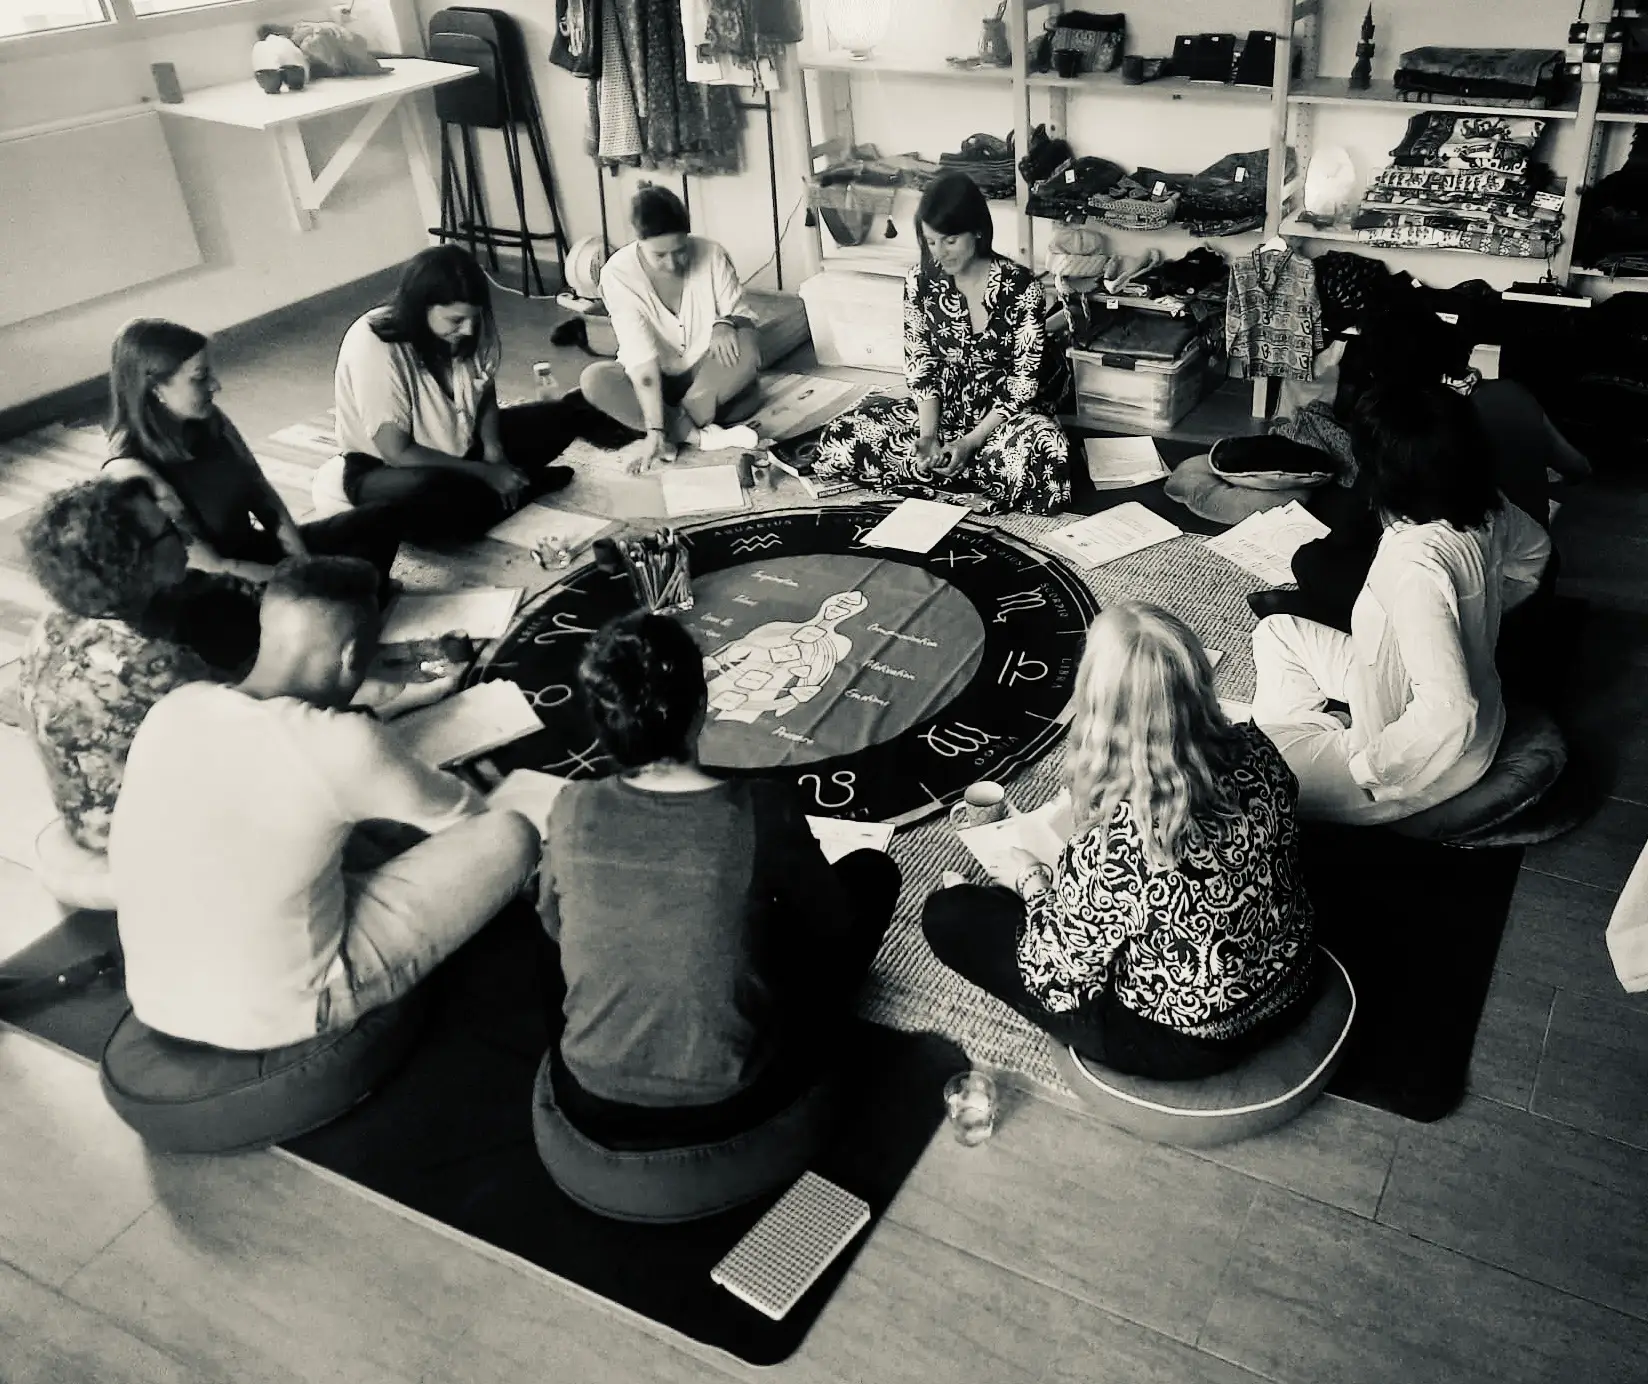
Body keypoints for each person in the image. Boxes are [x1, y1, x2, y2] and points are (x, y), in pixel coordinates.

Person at [108, 556, 539, 1051]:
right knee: (511, 834)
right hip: (285, 1008)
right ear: (352, 656)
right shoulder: (342, 744)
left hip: (156, 995)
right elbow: (468, 823)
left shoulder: (175, 708)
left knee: (343, 832)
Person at [536, 611, 900, 1143]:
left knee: (556, 905)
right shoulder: (760, 807)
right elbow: (833, 922)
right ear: (703, 707)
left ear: (601, 721)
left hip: (589, 1091)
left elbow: (552, 926)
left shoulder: (572, 805)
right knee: (871, 873)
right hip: (731, 1098)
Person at [923, 602, 1318, 1080]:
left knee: (950, 915)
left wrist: (1030, 879)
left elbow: (1056, 979)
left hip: (1191, 1040)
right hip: (1293, 978)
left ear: (1098, 704)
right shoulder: (1258, 749)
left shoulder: (1120, 846)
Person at [1251, 384, 1552, 826]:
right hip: (1394, 684)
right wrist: (1480, 615)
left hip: (1421, 769)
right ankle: (1316, 735)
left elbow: (1451, 713)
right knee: (1276, 632)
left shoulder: (1416, 567)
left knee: (1243, 769)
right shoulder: (1487, 506)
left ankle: (1328, 743)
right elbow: (1535, 555)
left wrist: (1367, 767)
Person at [19, 478, 259, 854]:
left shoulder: (56, 620)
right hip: (137, 836)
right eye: (169, 531)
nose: (186, 538)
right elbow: (257, 728)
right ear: (131, 563)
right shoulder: (152, 664)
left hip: (82, 816)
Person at [811, 171, 1071, 515]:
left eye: (949, 240)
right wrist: (928, 435)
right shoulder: (919, 281)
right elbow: (920, 365)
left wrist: (970, 442)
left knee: (1047, 454)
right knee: (841, 435)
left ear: (977, 230)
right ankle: (962, 476)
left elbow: (1022, 385)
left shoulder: (1022, 287)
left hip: (1003, 420)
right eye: (930, 241)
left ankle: (947, 472)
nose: (939, 253)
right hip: (944, 412)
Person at [102, 318, 401, 596]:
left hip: (255, 555)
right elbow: (213, 567)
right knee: (338, 586)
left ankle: (347, 602)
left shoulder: (209, 420)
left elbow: (264, 498)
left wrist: (304, 563)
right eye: (200, 377)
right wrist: (306, 583)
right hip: (217, 588)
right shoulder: (131, 470)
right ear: (154, 388)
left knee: (382, 520)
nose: (215, 385)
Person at [334, 245, 599, 547]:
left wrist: (494, 451)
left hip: (462, 451)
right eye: (456, 320)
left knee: (561, 417)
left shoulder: (465, 330)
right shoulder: (373, 343)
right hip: (389, 471)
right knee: (437, 500)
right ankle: (519, 489)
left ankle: (496, 495)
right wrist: (486, 473)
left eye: (473, 318)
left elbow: (484, 391)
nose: (469, 328)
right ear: (419, 307)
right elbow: (397, 452)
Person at [579, 184, 765, 466]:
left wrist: (724, 323)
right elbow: (640, 358)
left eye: (680, 251)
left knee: (747, 350)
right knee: (594, 380)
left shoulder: (712, 253)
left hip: (706, 367)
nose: (673, 264)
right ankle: (697, 435)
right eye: (660, 256)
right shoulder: (617, 275)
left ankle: (671, 425)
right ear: (639, 241)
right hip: (656, 377)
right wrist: (654, 428)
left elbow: (740, 313)